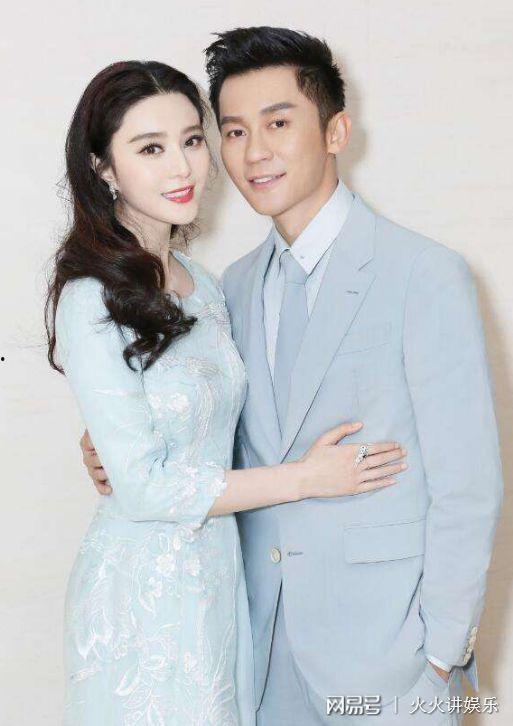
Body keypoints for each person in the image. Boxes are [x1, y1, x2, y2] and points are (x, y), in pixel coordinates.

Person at [47, 60, 408, 725]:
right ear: (103, 168)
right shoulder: (90, 296)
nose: (182, 166)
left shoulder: (204, 284)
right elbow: (145, 490)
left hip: (221, 579)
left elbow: (219, 421)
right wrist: (305, 479)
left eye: (191, 140)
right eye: (150, 148)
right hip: (143, 593)